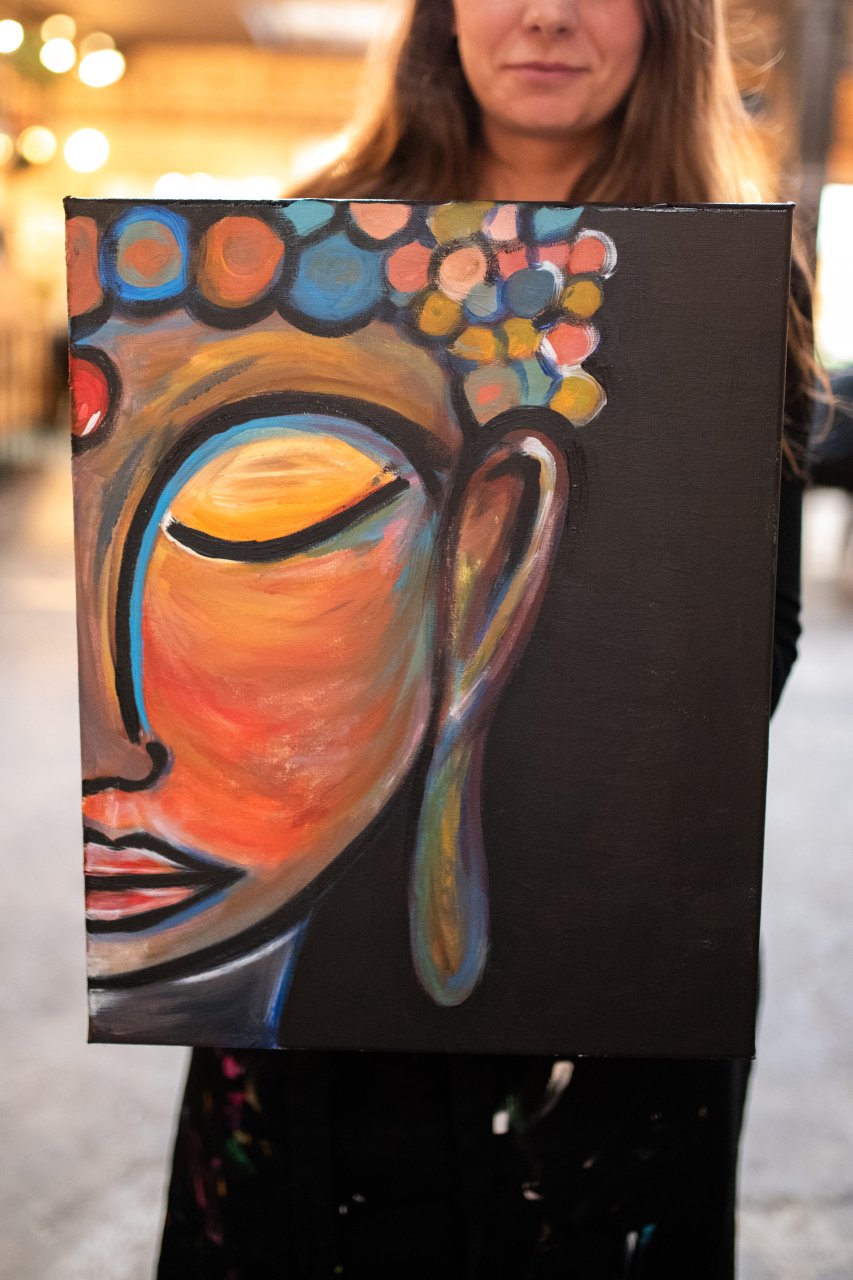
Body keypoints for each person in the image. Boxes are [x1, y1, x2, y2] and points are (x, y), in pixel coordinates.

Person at [156, 1, 815, 1276]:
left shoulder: (729, 279)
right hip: (327, 954)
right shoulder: (308, 246)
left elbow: (755, 634)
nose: (547, 14)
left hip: (606, 941)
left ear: (668, 21)